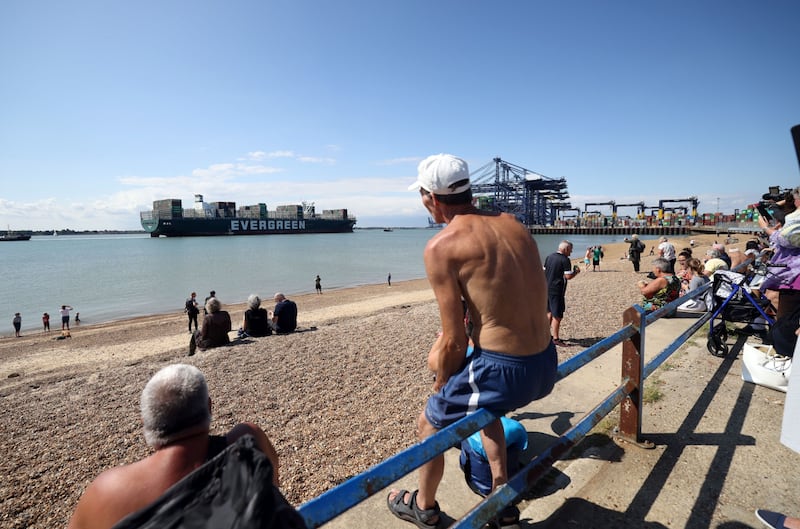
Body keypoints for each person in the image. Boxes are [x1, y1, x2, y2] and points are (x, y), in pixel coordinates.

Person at [387, 154, 557, 529]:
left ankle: (424, 508)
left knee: (429, 424)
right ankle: (502, 498)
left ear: (430, 197)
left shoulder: (442, 246)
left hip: (507, 370)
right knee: (486, 407)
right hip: (547, 362)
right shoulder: (513, 224)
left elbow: (453, 339)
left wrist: (439, 386)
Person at [66, 364, 283, 529]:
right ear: (209, 407)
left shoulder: (107, 490)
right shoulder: (246, 442)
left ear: (146, 423)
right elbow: (272, 485)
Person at [544, 240, 580, 347]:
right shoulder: (565, 260)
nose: (571, 252)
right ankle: (556, 338)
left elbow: (543, 271)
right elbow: (568, 276)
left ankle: (545, 336)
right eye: (570, 250)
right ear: (566, 249)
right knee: (557, 315)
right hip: (557, 290)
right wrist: (576, 272)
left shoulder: (549, 257)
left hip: (546, 288)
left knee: (549, 312)